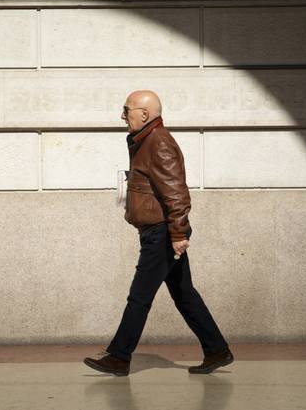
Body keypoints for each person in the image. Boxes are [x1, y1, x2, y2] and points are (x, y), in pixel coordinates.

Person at [83, 90, 233, 376]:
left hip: (161, 234)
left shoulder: (158, 142)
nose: (122, 116)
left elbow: (176, 193)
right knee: (184, 294)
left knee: (139, 297)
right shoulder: (145, 141)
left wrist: (178, 233)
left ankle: (119, 356)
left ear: (144, 113)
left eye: (126, 109)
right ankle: (217, 350)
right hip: (157, 231)